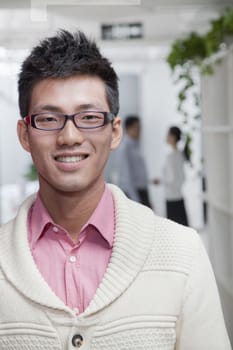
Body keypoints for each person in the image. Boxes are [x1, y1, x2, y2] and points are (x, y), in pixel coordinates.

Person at [0, 30, 231, 350]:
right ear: (25, 134)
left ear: (114, 131)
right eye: (49, 118)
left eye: (89, 117)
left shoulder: (182, 252)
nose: (69, 136)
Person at [153, 126, 189, 226]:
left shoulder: (171, 156)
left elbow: (171, 179)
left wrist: (159, 181)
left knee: (174, 231)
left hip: (171, 198)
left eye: (168, 134)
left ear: (173, 137)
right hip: (179, 196)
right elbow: (182, 177)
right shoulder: (180, 154)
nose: (166, 137)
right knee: (183, 228)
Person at [118, 115, 152, 208]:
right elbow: (126, 176)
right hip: (134, 194)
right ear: (129, 129)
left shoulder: (136, 146)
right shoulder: (125, 148)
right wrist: (136, 201)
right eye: (137, 128)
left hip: (142, 192)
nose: (140, 131)